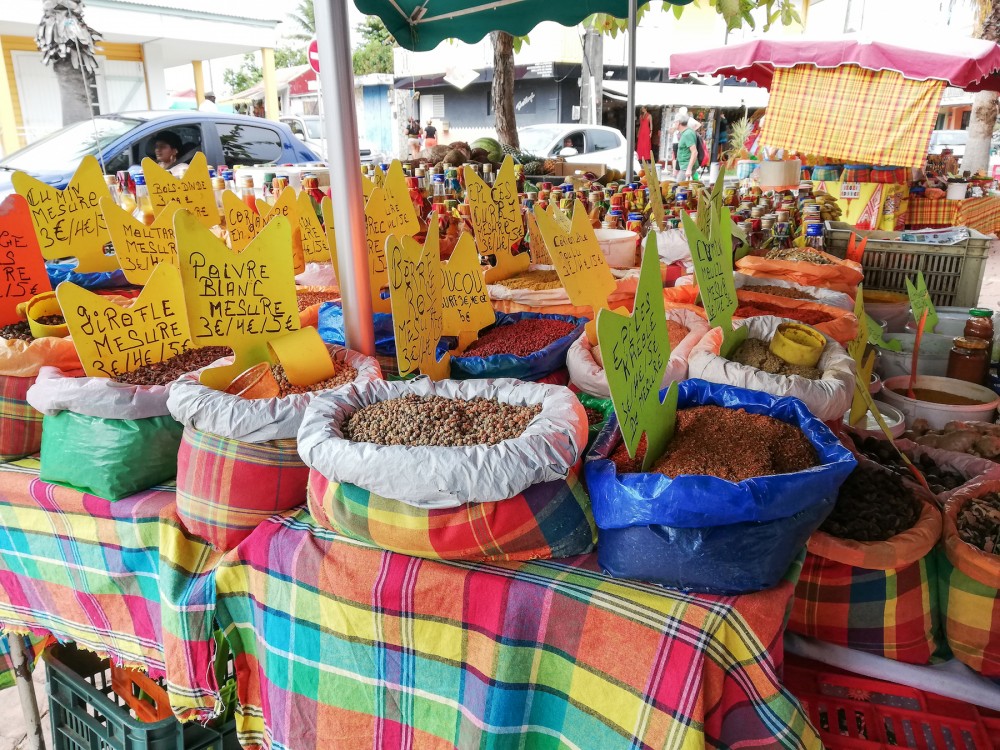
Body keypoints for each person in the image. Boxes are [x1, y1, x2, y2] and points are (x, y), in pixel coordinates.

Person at [674, 112, 700, 181]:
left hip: (686, 166)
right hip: (684, 166)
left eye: (675, 122)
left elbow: (694, 152)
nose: (674, 124)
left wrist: (689, 169)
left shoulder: (687, 134)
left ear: (678, 122)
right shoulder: (686, 132)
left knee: (677, 188)